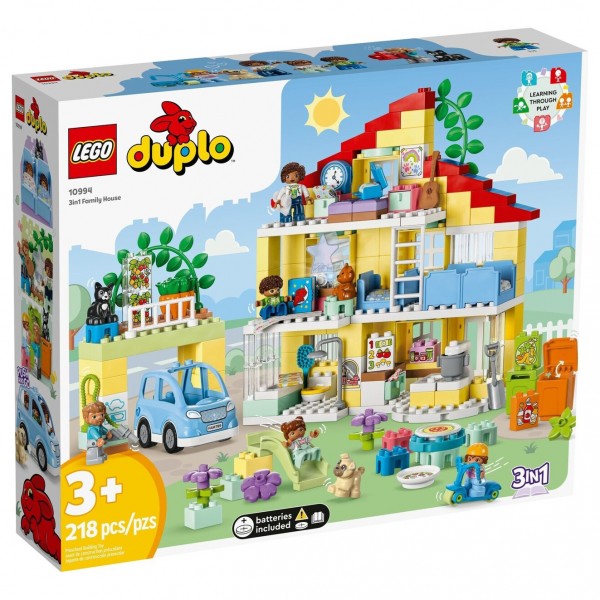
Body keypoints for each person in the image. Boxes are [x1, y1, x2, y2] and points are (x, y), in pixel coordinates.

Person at [83, 401, 113, 465]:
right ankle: (94, 458)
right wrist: (99, 439)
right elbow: (95, 434)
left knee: (100, 449)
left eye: (102, 415)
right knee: (94, 450)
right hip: (92, 444)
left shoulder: (100, 426)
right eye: (94, 417)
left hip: (98, 442)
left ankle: (101, 455)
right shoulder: (91, 429)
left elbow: (103, 430)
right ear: (86, 418)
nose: (100, 418)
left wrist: (107, 433)